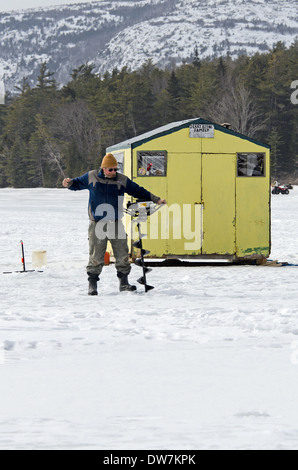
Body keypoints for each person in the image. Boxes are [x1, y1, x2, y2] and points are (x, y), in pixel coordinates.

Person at [62, 153, 166, 295]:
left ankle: (124, 283)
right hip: (97, 223)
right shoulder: (92, 176)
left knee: (122, 253)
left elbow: (138, 190)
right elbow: (75, 184)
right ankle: (92, 285)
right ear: (103, 168)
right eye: (110, 169)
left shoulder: (121, 180)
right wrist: (68, 183)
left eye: (115, 169)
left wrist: (156, 199)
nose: (113, 172)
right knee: (96, 255)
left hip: (116, 223)